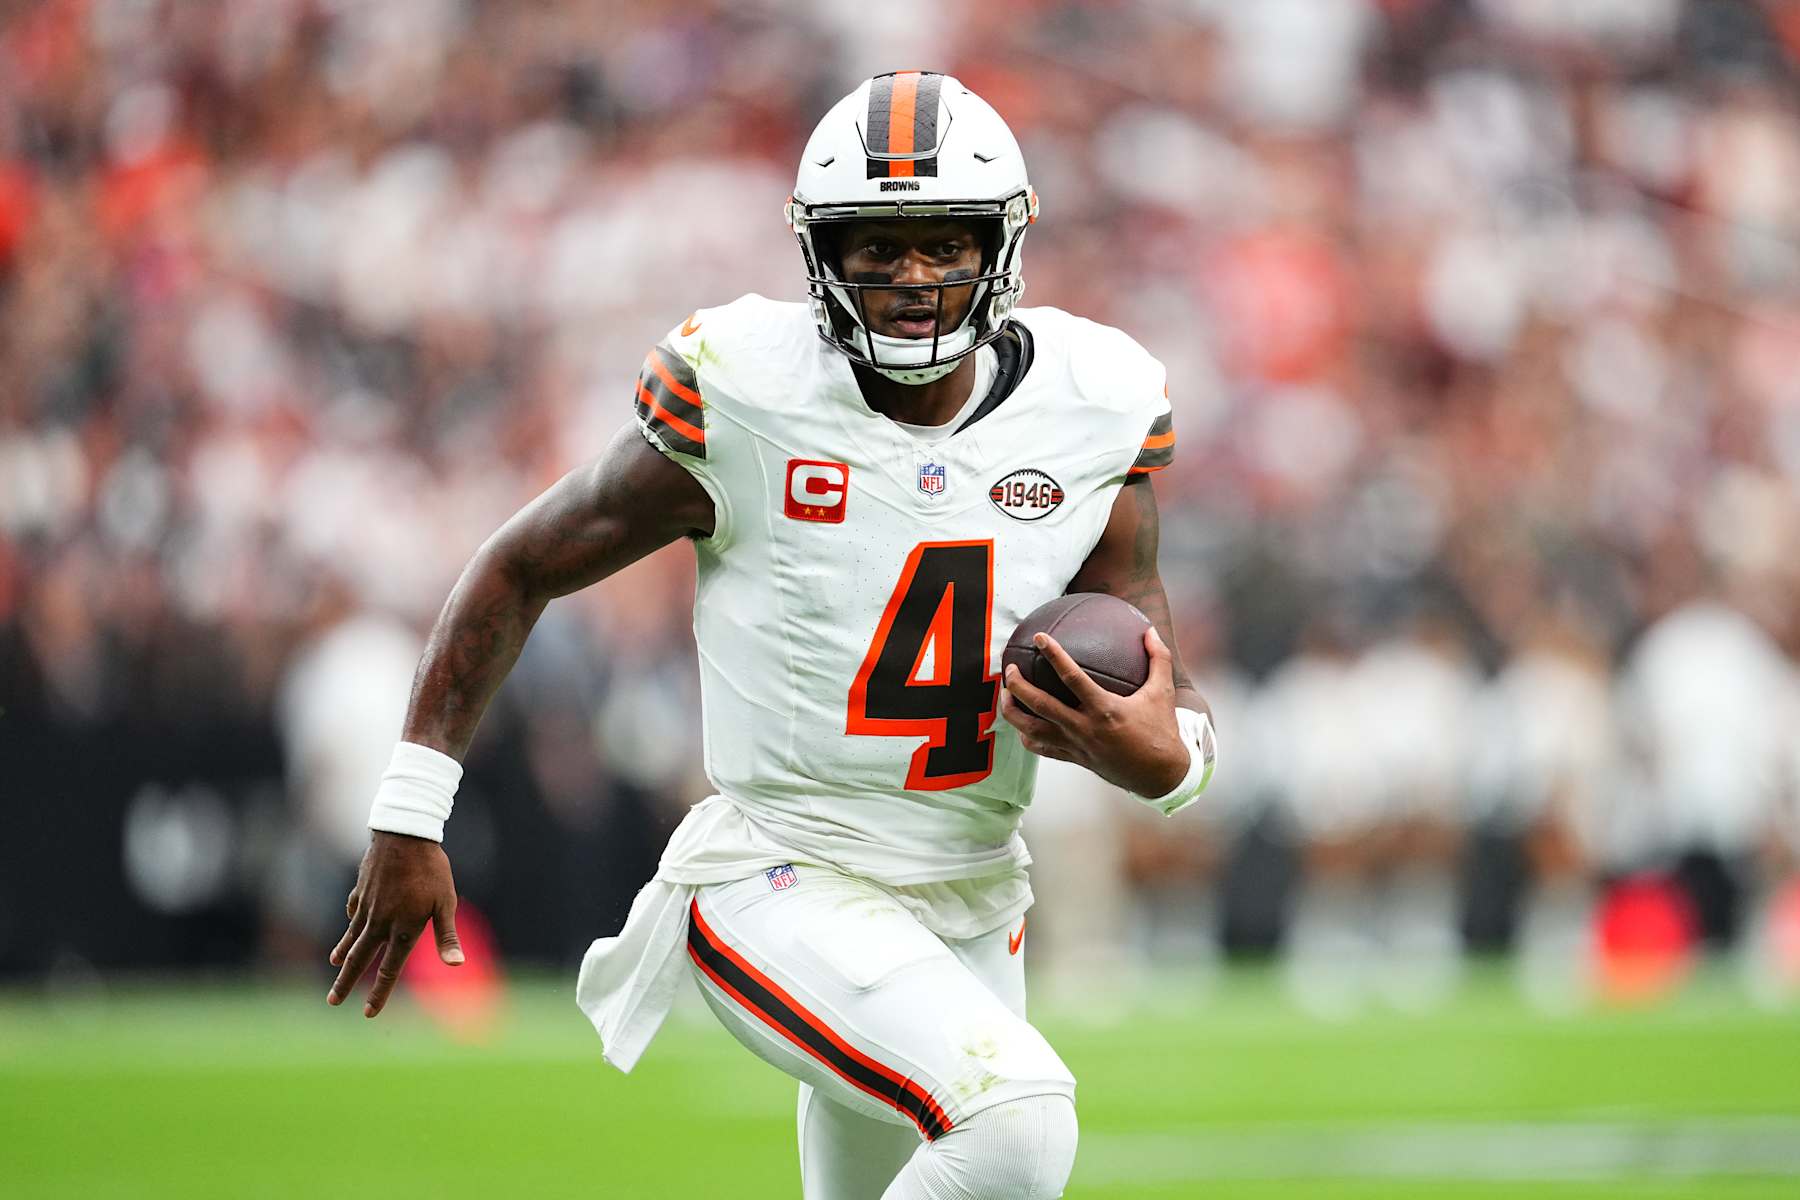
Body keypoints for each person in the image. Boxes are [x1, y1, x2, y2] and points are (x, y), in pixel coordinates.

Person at [326, 72, 1216, 1200]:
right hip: (780, 872)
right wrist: (411, 811)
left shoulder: (1092, 405)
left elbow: (1164, 674)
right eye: (877, 247)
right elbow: (520, 565)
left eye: (945, 245)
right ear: (819, 253)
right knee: (1017, 1123)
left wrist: (1172, 762)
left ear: (1002, 244)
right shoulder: (750, 394)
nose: (913, 279)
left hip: (975, 892)